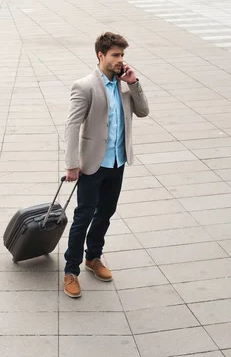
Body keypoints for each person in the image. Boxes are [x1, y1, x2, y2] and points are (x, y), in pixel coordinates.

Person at [62, 32, 149, 298]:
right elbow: (72, 125)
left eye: (122, 55)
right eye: (115, 55)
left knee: (106, 212)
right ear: (101, 55)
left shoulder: (125, 84)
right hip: (92, 164)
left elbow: (143, 111)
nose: (120, 60)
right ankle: (70, 270)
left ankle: (94, 257)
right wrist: (72, 164)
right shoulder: (85, 86)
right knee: (83, 216)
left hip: (117, 161)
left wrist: (134, 83)